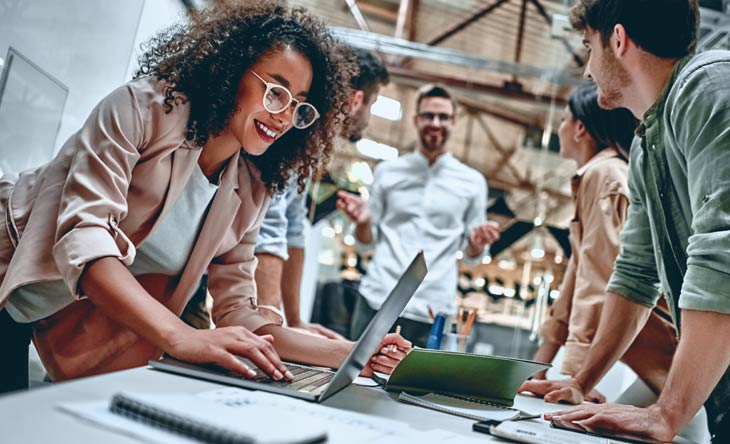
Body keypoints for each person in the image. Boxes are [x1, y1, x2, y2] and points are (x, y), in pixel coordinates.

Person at [0, 3, 410, 394]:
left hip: (53, 314)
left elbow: (240, 313)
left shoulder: (250, 187)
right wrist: (182, 337)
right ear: (232, 71)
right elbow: (84, 240)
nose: (285, 117)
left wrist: (353, 354)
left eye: (299, 106)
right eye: (276, 92)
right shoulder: (141, 110)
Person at [521, 1, 730, 442]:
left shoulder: (709, 84)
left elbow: (723, 253)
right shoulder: (645, 145)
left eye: (588, 48)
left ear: (618, 41)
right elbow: (635, 274)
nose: (586, 71)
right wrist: (582, 380)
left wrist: (666, 414)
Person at [524, 85, 677, 405]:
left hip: (669, 354)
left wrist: (576, 377)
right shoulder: (597, 175)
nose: (560, 128)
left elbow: (599, 276)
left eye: (563, 119)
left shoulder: (604, 175)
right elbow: (576, 278)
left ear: (581, 128)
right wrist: (539, 365)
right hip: (658, 361)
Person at [338, 84, 500, 347]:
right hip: (378, 299)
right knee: (356, 380)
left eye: (443, 117)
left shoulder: (473, 182)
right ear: (415, 120)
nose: (435, 123)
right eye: (428, 115)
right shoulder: (388, 172)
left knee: (418, 387)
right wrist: (364, 223)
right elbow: (365, 242)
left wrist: (476, 243)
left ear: (454, 121)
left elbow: (472, 258)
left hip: (433, 308)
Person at [253, 47, 389, 339]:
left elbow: (293, 228)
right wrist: (272, 327)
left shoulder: (312, 145)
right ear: (356, 100)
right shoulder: (295, 133)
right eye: (373, 104)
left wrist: (294, 321)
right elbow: (271, 227)